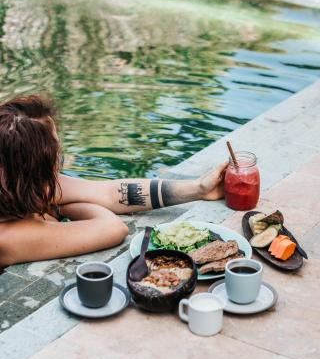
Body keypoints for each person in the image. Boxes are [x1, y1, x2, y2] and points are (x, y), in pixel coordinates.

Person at [0, 95, 227, 267]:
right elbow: (111, 228)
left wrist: (198, 189)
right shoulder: (8, 237)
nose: (60, 160)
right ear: (32, 171)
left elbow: (108, 192)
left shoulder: (12, 180)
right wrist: (72, 207)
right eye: (55, 156)